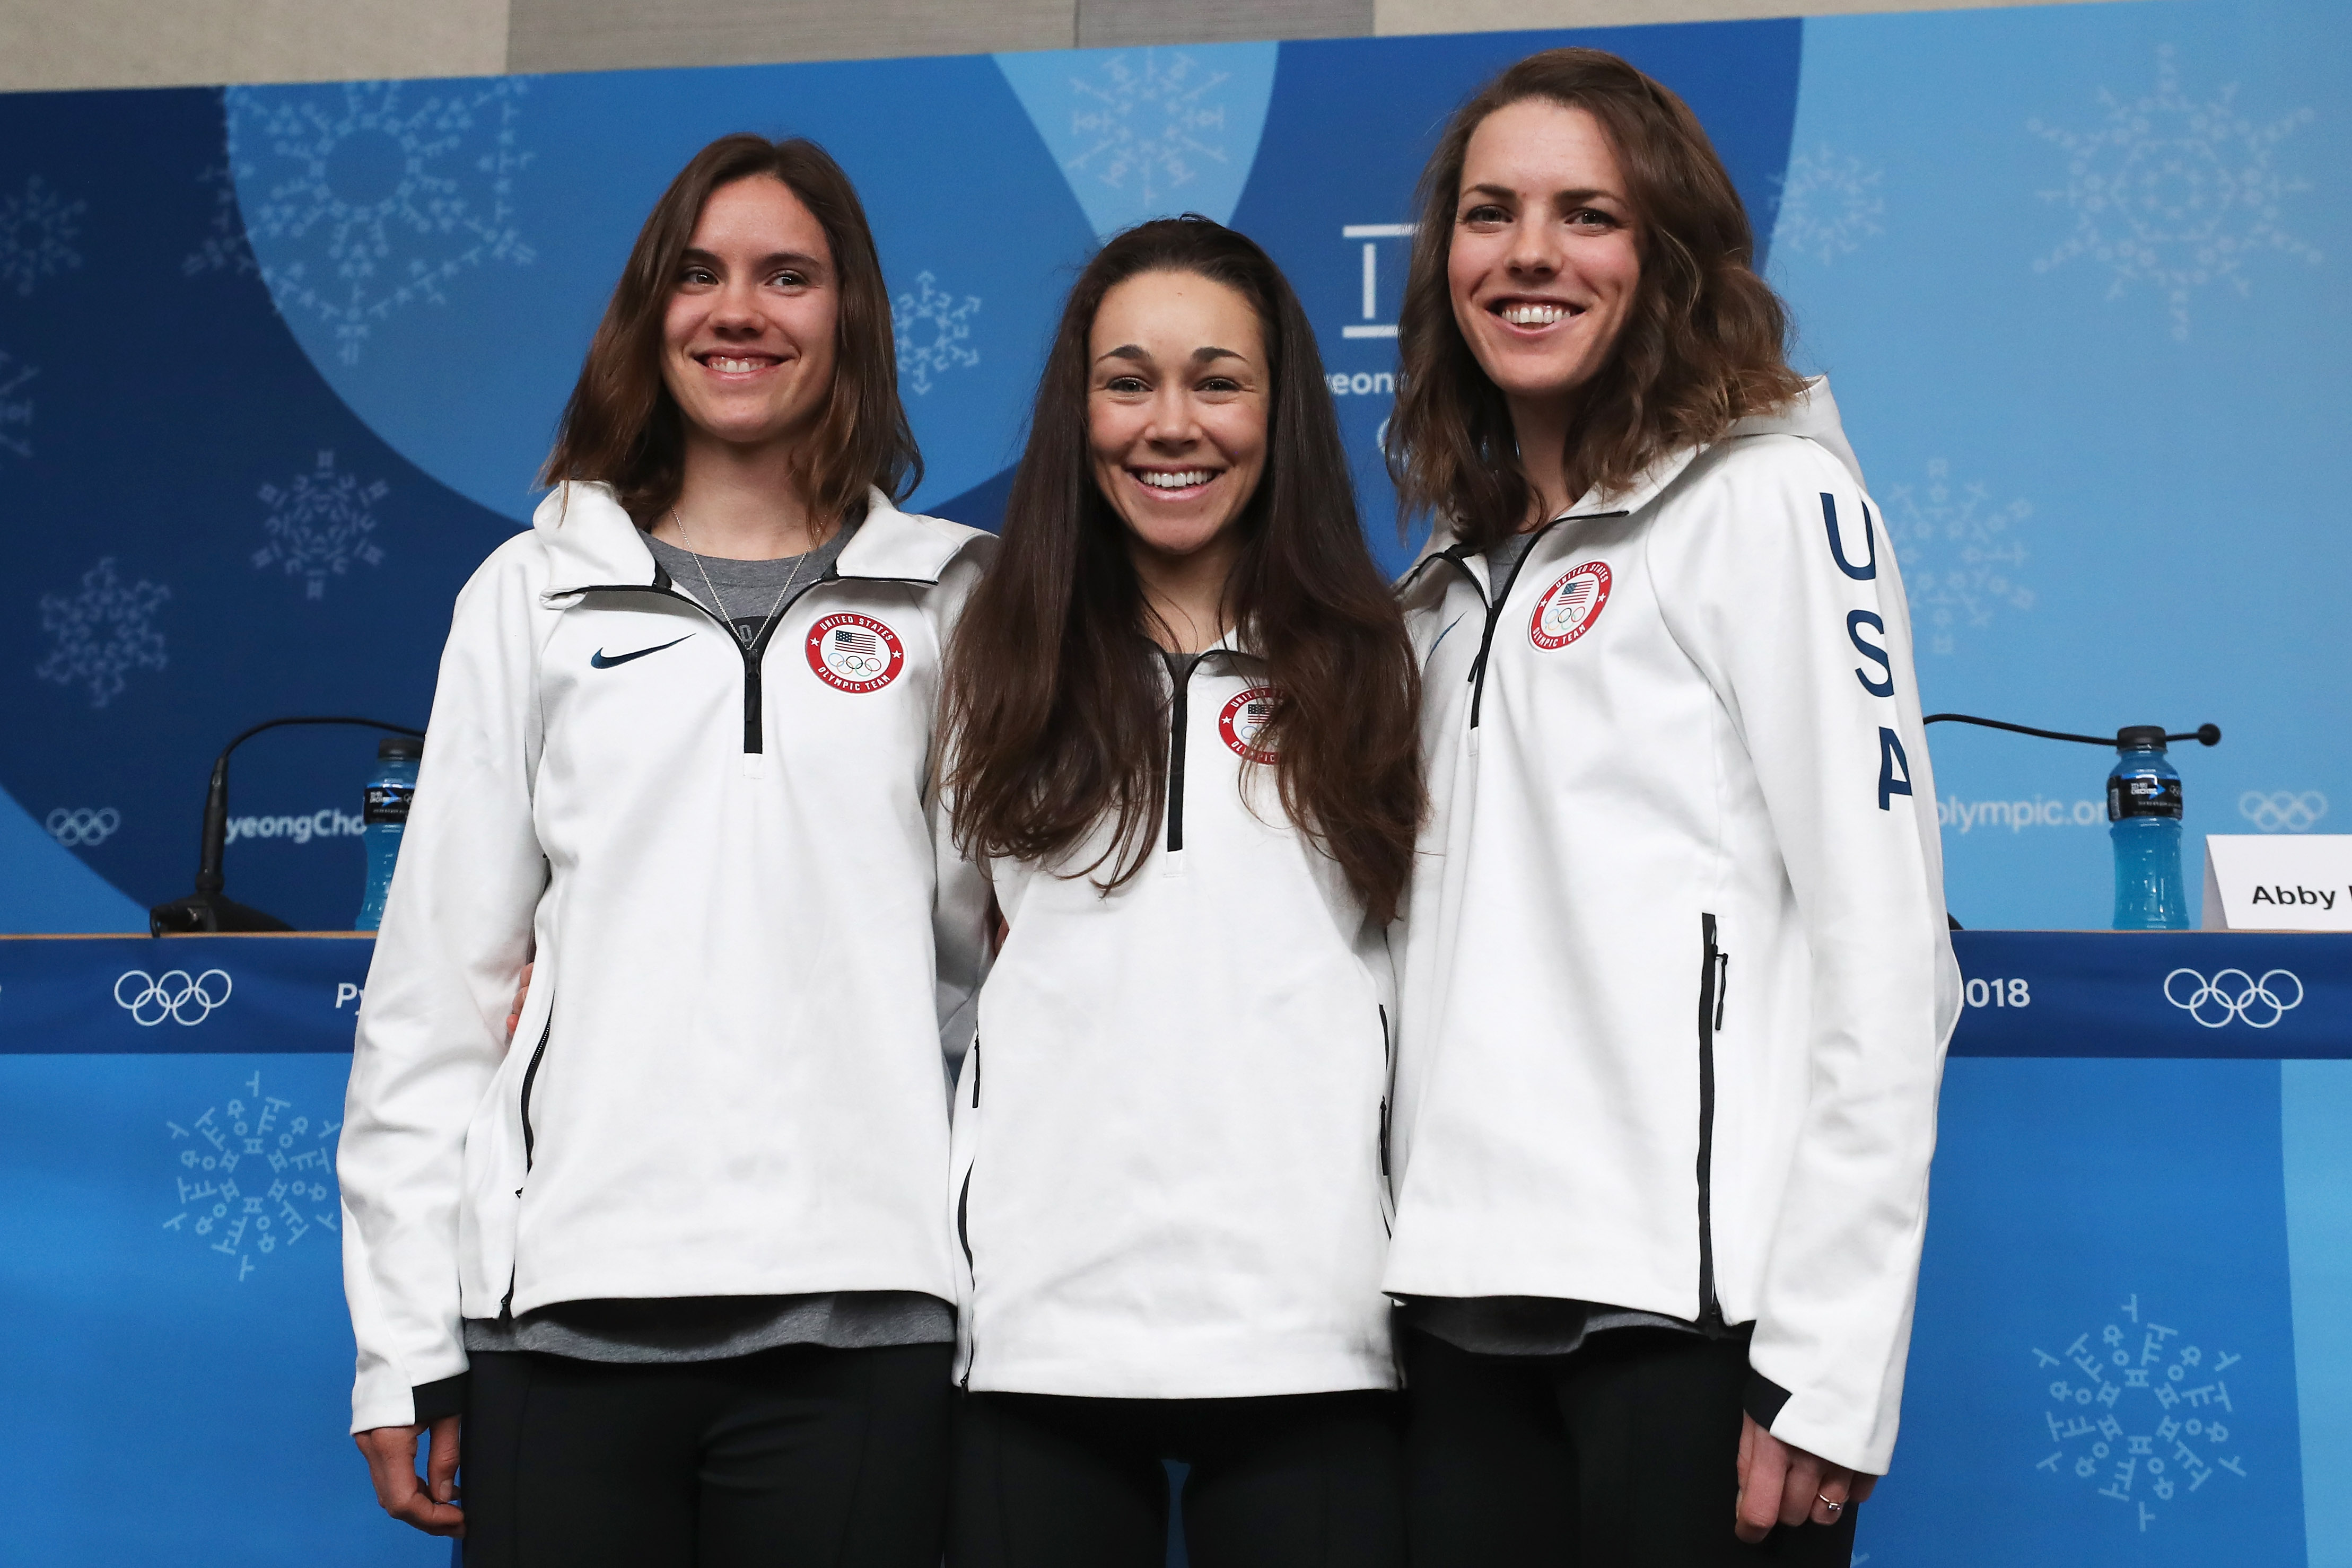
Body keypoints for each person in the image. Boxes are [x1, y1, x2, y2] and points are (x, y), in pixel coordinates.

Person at [338, 133, 992, 1567]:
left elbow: (992, 963)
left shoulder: (956, 598)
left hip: (867, 1324)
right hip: (565, 1323)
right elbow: (435, 996)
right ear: (651, 313)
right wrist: (399, 1342)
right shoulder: (531, 593)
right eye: (697, 274)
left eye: (786, 275)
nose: (738, 309)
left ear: (850, 316)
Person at [1378, 48, 1960, 1564]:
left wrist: (1827, 1366)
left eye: (1588, 215)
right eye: (1489, 213)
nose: (1528, 255)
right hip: (1453, 1319)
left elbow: (1887, 951)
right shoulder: (1441, 585)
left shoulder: (1771, 503)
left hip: (1692, 1337)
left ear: (1669, 255)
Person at [936, 216, 1422, 1568]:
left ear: (1281, 412)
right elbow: (915, 974)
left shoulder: (1389, 667)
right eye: (1126, 379)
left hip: (1312, 1336)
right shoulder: (983, 662)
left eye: (1217, 380)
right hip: (1039, 1331)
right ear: (1076, 407)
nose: (1171, 424)